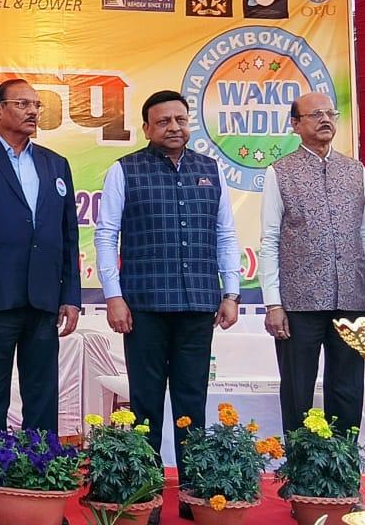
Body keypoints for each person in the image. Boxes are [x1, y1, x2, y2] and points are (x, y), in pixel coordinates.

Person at [95, 89, 241, 523]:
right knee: (145, 404)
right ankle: (147, 497)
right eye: (163, 121)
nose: (174, 127)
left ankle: (194, 496)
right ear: (147, 128)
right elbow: (106, 235)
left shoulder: (209, 170)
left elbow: (225, 234)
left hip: (199, 303)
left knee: (192, 401)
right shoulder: (124, 170)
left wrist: (231, 292)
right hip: (144, 306)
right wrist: (113, 296)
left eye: (180, 119)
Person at [0, 78, 81, 525]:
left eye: (36, 105)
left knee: (43, 398)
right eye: (22, 104)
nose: (32, 112)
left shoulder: (55, 163)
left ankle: (40, 494)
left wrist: (70, 296)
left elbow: (67, 236)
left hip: (43, 301)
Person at [258, 92, 365, 439]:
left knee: (347, 388)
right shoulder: (280, 172)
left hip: (351, 298)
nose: (325, 120)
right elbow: (270, 239)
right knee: (298, 389)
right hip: (299, 301)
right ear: (295, 125)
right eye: (315, 115)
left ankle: (343, 462)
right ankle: (302, 462)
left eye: (330, 113)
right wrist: (273, 303)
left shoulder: (355, 170)